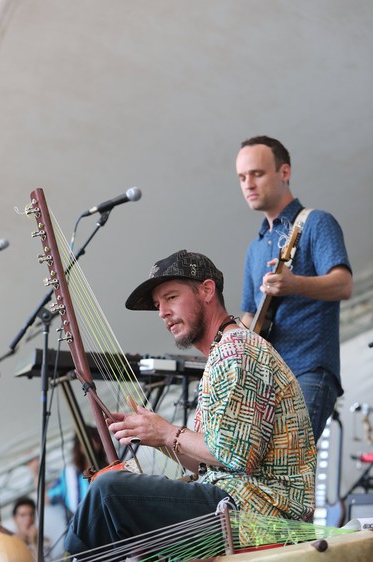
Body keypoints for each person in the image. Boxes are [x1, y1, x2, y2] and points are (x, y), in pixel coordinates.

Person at [64, 249, 316, 558]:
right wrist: (155, 437)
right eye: (158, 305)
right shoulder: (224, 353)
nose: (162, 313)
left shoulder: (237, 350)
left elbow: (237, 456)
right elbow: (211, 461)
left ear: (207, 290)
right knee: (115, 501)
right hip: (237, 505)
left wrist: (169, 433)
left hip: (259, 514)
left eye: (171, 297)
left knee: (109, 491)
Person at [236, 135, 353, 443]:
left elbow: (343, 284)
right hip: (266, 381)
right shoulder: (255, 248)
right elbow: (250, 318)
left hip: (309, 370)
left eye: (257, 174)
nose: (248, 183)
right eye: (242, 177)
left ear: (284, 172)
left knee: (288, 466)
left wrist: (294, 284)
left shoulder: (316, 223)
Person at [47, 425, 108, 520]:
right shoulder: (68, 473)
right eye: (86, 439)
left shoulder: (108, 469)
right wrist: (35, 473)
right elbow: (48, 497)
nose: (90, 443)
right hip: (79, 526)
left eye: (94, 439)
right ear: (78, 444)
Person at [12, 496, 52, 561]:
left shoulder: (44, 541)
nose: (28, 518)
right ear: (15, 520)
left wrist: (36, 544)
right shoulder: (10, 545)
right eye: (23, 515)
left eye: (31, 514)